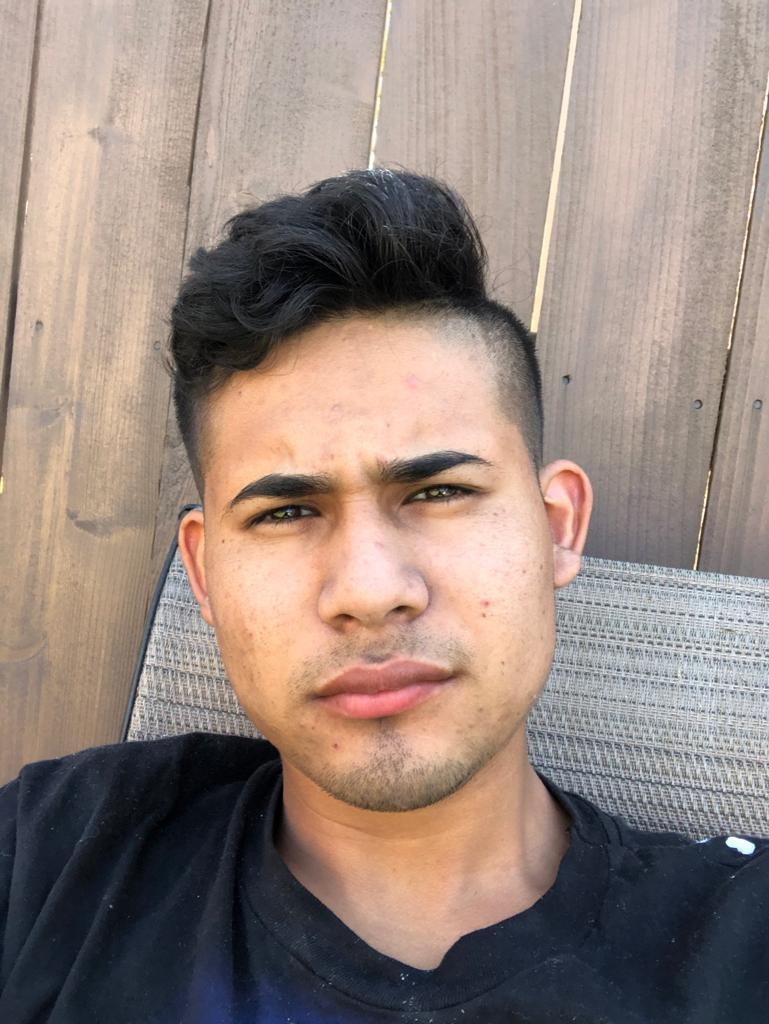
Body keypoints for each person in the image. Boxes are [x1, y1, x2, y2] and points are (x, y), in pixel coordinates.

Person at [1, 169, 767, 1023]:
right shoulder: (53, 858)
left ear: (556, 527)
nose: (369, 591)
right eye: (285, 511)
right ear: (205, 572)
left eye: (437, 492)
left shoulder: (740, 943)